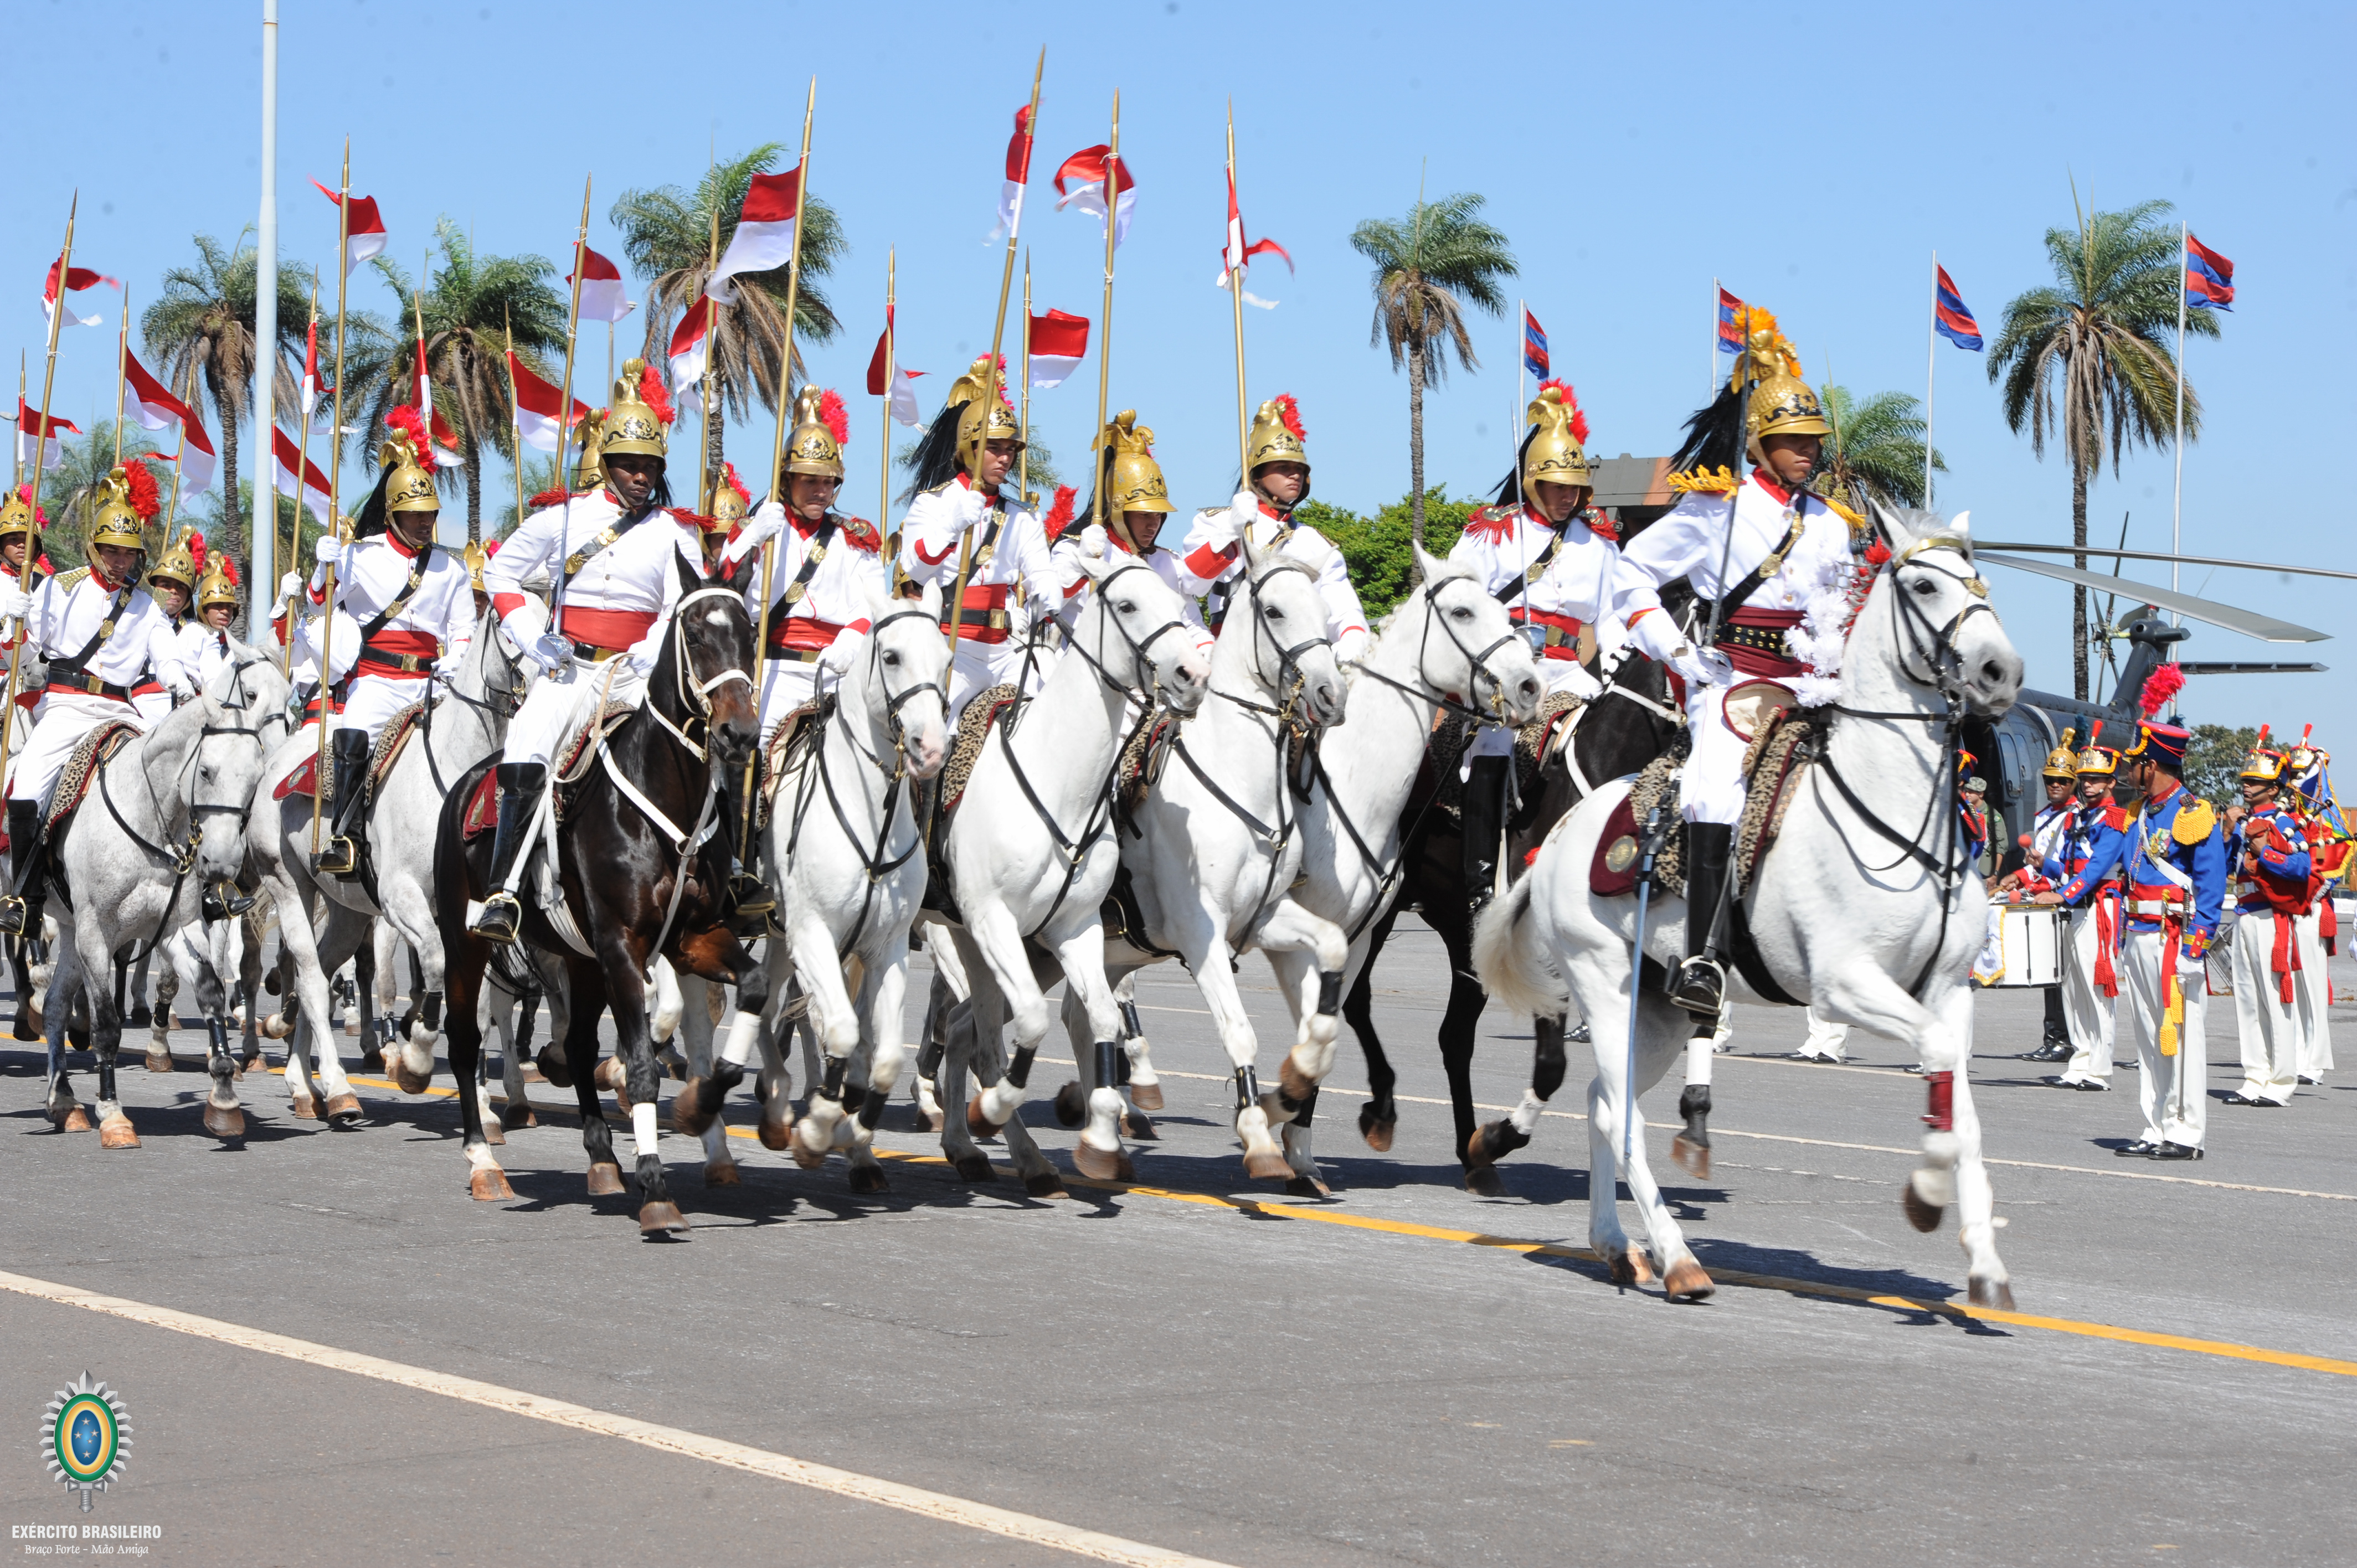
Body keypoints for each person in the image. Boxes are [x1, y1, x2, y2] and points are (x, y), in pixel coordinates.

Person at [1607, 318, 1861, 1016]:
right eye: (1793, 442)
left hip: (1813, 681)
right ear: (1759, 444)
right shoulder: (1717, 505)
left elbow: (1839, 603)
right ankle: (1701, 956)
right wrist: (1676, 648)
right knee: (1713, 791)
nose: (1808, 453)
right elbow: (1631, 575)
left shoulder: (1835, 521)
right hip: (1732, 680)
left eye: (1813, 441)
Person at [471, 359, 718, 943]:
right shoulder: (562, 517)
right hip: (570, 667)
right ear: (605, 465)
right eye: (629, 465)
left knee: (709, 750)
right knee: (527, 747)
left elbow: (686, 607)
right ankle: (504, 889)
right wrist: (532, 637)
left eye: (650, 466)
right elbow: (499, 571)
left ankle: (724, 876)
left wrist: (652, 652)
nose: (640, 476)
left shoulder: (675, 532)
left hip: (637, 674)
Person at [1447, 380, 1624, 912]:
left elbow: (1614, 616)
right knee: (1496, 741)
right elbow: (1458, 599)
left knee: (1618, 732)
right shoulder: (1493, 532)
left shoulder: (1600, 543)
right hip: (1506, 666)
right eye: (1555, 484)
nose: (1567, 495)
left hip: (1570, 670)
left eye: (1574, 485)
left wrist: (1612, 674)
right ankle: (1480, 880)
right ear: (1532, 482)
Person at [0, 463, 195, 937]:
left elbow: (165, 658)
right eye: (111, 550)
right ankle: (27, 896)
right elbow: (27, 653)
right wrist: (13, 624)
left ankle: (199, 885)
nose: (120, 560)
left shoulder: (147, 606)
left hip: (121, 713)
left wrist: (183, 686)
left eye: (129, 552)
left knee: (180, 780)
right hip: (66, 709)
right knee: (25, 788)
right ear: (94, 547)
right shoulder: (60, 588)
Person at [295, 408, 475, 877]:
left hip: (434, 683)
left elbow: (464, 629)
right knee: (353, 732)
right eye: (414, 515)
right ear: (393, 513)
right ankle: (346, 836)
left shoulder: (452, 568)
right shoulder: (360, 555)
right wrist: (323, 567)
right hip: (376, 682)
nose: (423, 524)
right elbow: (317, 608)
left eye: (430, 515)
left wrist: (455, 658)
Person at [896, 357, 1058, 722]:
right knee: (935, 729)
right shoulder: (933, 503)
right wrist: (952, 526)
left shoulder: (1022, 516)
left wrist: (1049, 593)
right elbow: (915, 570)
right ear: (969, 447)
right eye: (995, 448)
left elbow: (1039, 570)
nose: (1005, 458)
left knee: (1048, 716)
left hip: (1004, 651)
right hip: (950, 646)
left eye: (1009, 450)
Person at [1175, 394, 1370, 659]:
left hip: (1298, 661)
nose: (1295, 475)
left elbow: (1340, 602)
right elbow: (1189, 584)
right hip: (1230, 656)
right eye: (1283, 467)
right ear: (1257, 475)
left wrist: (1353, 635)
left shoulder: (1314, 541)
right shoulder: (1219, 522)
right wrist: (1231, 533)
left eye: (1299, 469)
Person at [2109, 718, 2226, 1159]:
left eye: (2135, 763)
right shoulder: (2140, 813)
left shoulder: (2193, 812)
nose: (2128, 771)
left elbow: (2211, 886)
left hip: (2173, 939)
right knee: (2147, 1038)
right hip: (2138, 934)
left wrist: (2196, 949)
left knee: (2179, 1036)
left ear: (2151, 765)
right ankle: (2156, 1124)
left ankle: (2186, 1132)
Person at [1050, 410, 1207, 648]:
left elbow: (1192, 625)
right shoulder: (1074, 550)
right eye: (1144, 515)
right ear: (1119, 511)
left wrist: (1208, 649)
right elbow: (1046, 605)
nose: (1154, 524)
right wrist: (1081, 564)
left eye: (1158, 515)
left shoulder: (1168, 564)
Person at [2030, 737, 2130, 1090]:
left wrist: (2061, 895)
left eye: (2095, 778)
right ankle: (2081, 1060)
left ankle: (2100, 1069)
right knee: (2074, 992)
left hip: (2099, 907)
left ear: (2110, 783)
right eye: (2084, 777)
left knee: (2097, 989)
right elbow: (2074, 867)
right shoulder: (2080, 817)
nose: (2087, 783)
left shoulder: (2117, 818)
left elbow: (2097, 869)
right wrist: (2049, 866)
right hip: (2076, 908)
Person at [2220, 731, 2311, 1107]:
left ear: (2274, 789)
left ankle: (2282, 1080)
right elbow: (2224, 869)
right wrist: (2228, 833)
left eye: (2256, 782)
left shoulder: (2286, 823)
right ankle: (2255, 1075)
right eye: (2246, 780)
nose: (2248, 786)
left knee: (2276, 1001)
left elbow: (2301, 867)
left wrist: (2264, 852)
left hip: (2271, 918)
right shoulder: (2241, 822)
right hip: (2243, 915)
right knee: (2248, 1001)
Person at [2005, 730, 2083, 1062]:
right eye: (2051, 779)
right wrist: (2016, 878)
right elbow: (2040, 864)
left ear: (2073, 784)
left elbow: (2071, 865)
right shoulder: (2042, 817)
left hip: (2067, 900)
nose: (2055, 786)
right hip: (2047, 899)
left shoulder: (2077, 816)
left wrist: (2053, 888)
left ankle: (2066, 1040)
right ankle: (2054, 1037)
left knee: (2065, 977)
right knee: (2051, 976)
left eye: (2062, 782)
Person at [2286, 735, 2343, 1086]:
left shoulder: (2329, 823)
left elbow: (2332, 869)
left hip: (2310, 910)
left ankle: (2314, 1061)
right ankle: (2294, 1053)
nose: (2294, 781)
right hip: (2286, 911)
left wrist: (2304, 901)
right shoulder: (2288, 817)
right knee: (2289, 986)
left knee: (2312, 987)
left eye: (2300, 773)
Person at [136, 529, 202, 723]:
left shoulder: (200, 634)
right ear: (153, 586)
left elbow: (214, 684)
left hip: (184, 710)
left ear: (189, 598)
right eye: (166, 584)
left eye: (181, 587)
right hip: (131, 706)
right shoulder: (132, 619)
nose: (173, 591)